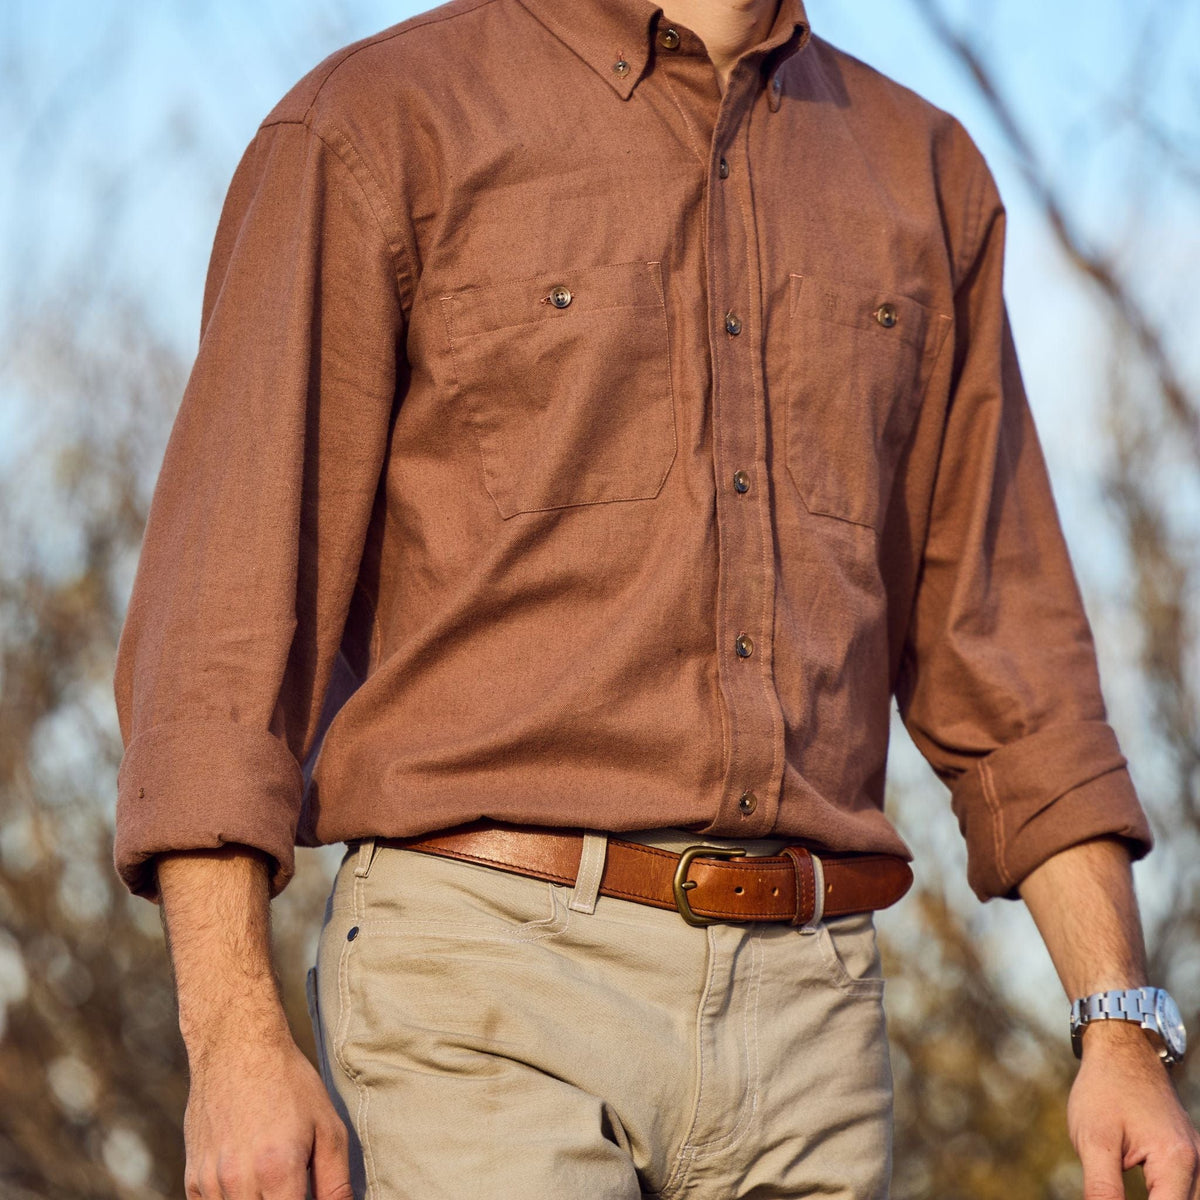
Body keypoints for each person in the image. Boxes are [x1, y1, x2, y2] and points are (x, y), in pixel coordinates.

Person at [111, 0, 1200, 1196]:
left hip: (815, 1018)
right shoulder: (378, 122)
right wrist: (234, 1044)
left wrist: (1122, 1031)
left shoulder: (924, 170)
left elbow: (1014, 657)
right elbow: (219, 630)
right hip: (486, 985)